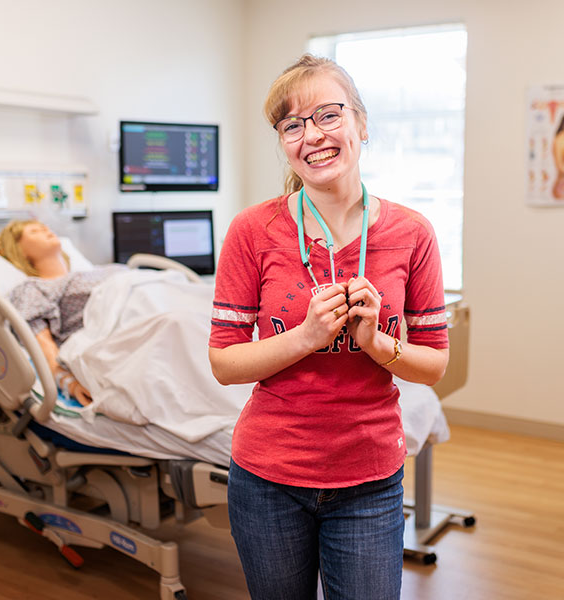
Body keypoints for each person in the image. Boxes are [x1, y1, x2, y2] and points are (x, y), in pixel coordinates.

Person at [208, 54, 450, 600]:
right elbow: (224, 363)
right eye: (291, 124)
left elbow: (433, 363)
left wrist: (374, 342)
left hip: (369, 480)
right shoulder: (253, 230)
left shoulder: (413, 233)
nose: (310, 134)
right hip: (267, 478)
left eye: (327, 115)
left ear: (362, 124)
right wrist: (305, 338)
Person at [0, 220, 124, 406]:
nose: (45, 229)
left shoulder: (99, 271)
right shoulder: (33, 288)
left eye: (44, 226)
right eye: (34, 231)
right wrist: (66, 381)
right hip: (124, 326)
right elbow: (41, 344)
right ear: (20, 250)